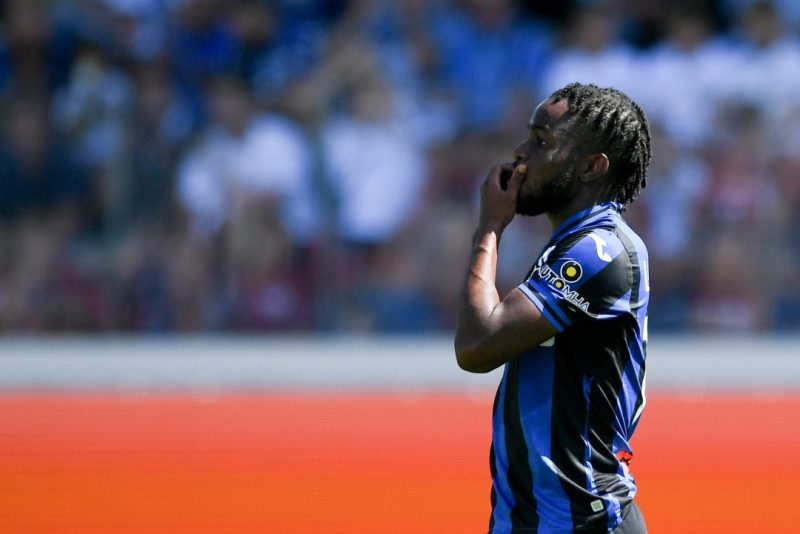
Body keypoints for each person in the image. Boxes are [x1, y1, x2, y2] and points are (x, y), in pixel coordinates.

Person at [454, 82, 652, 533]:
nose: (520, 153)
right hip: (529, 520)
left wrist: (489, 228)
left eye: (542, 142)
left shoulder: (600, 250)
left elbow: (477, 345)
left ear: (591, 167)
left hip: (586, 520)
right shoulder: (571, 243)